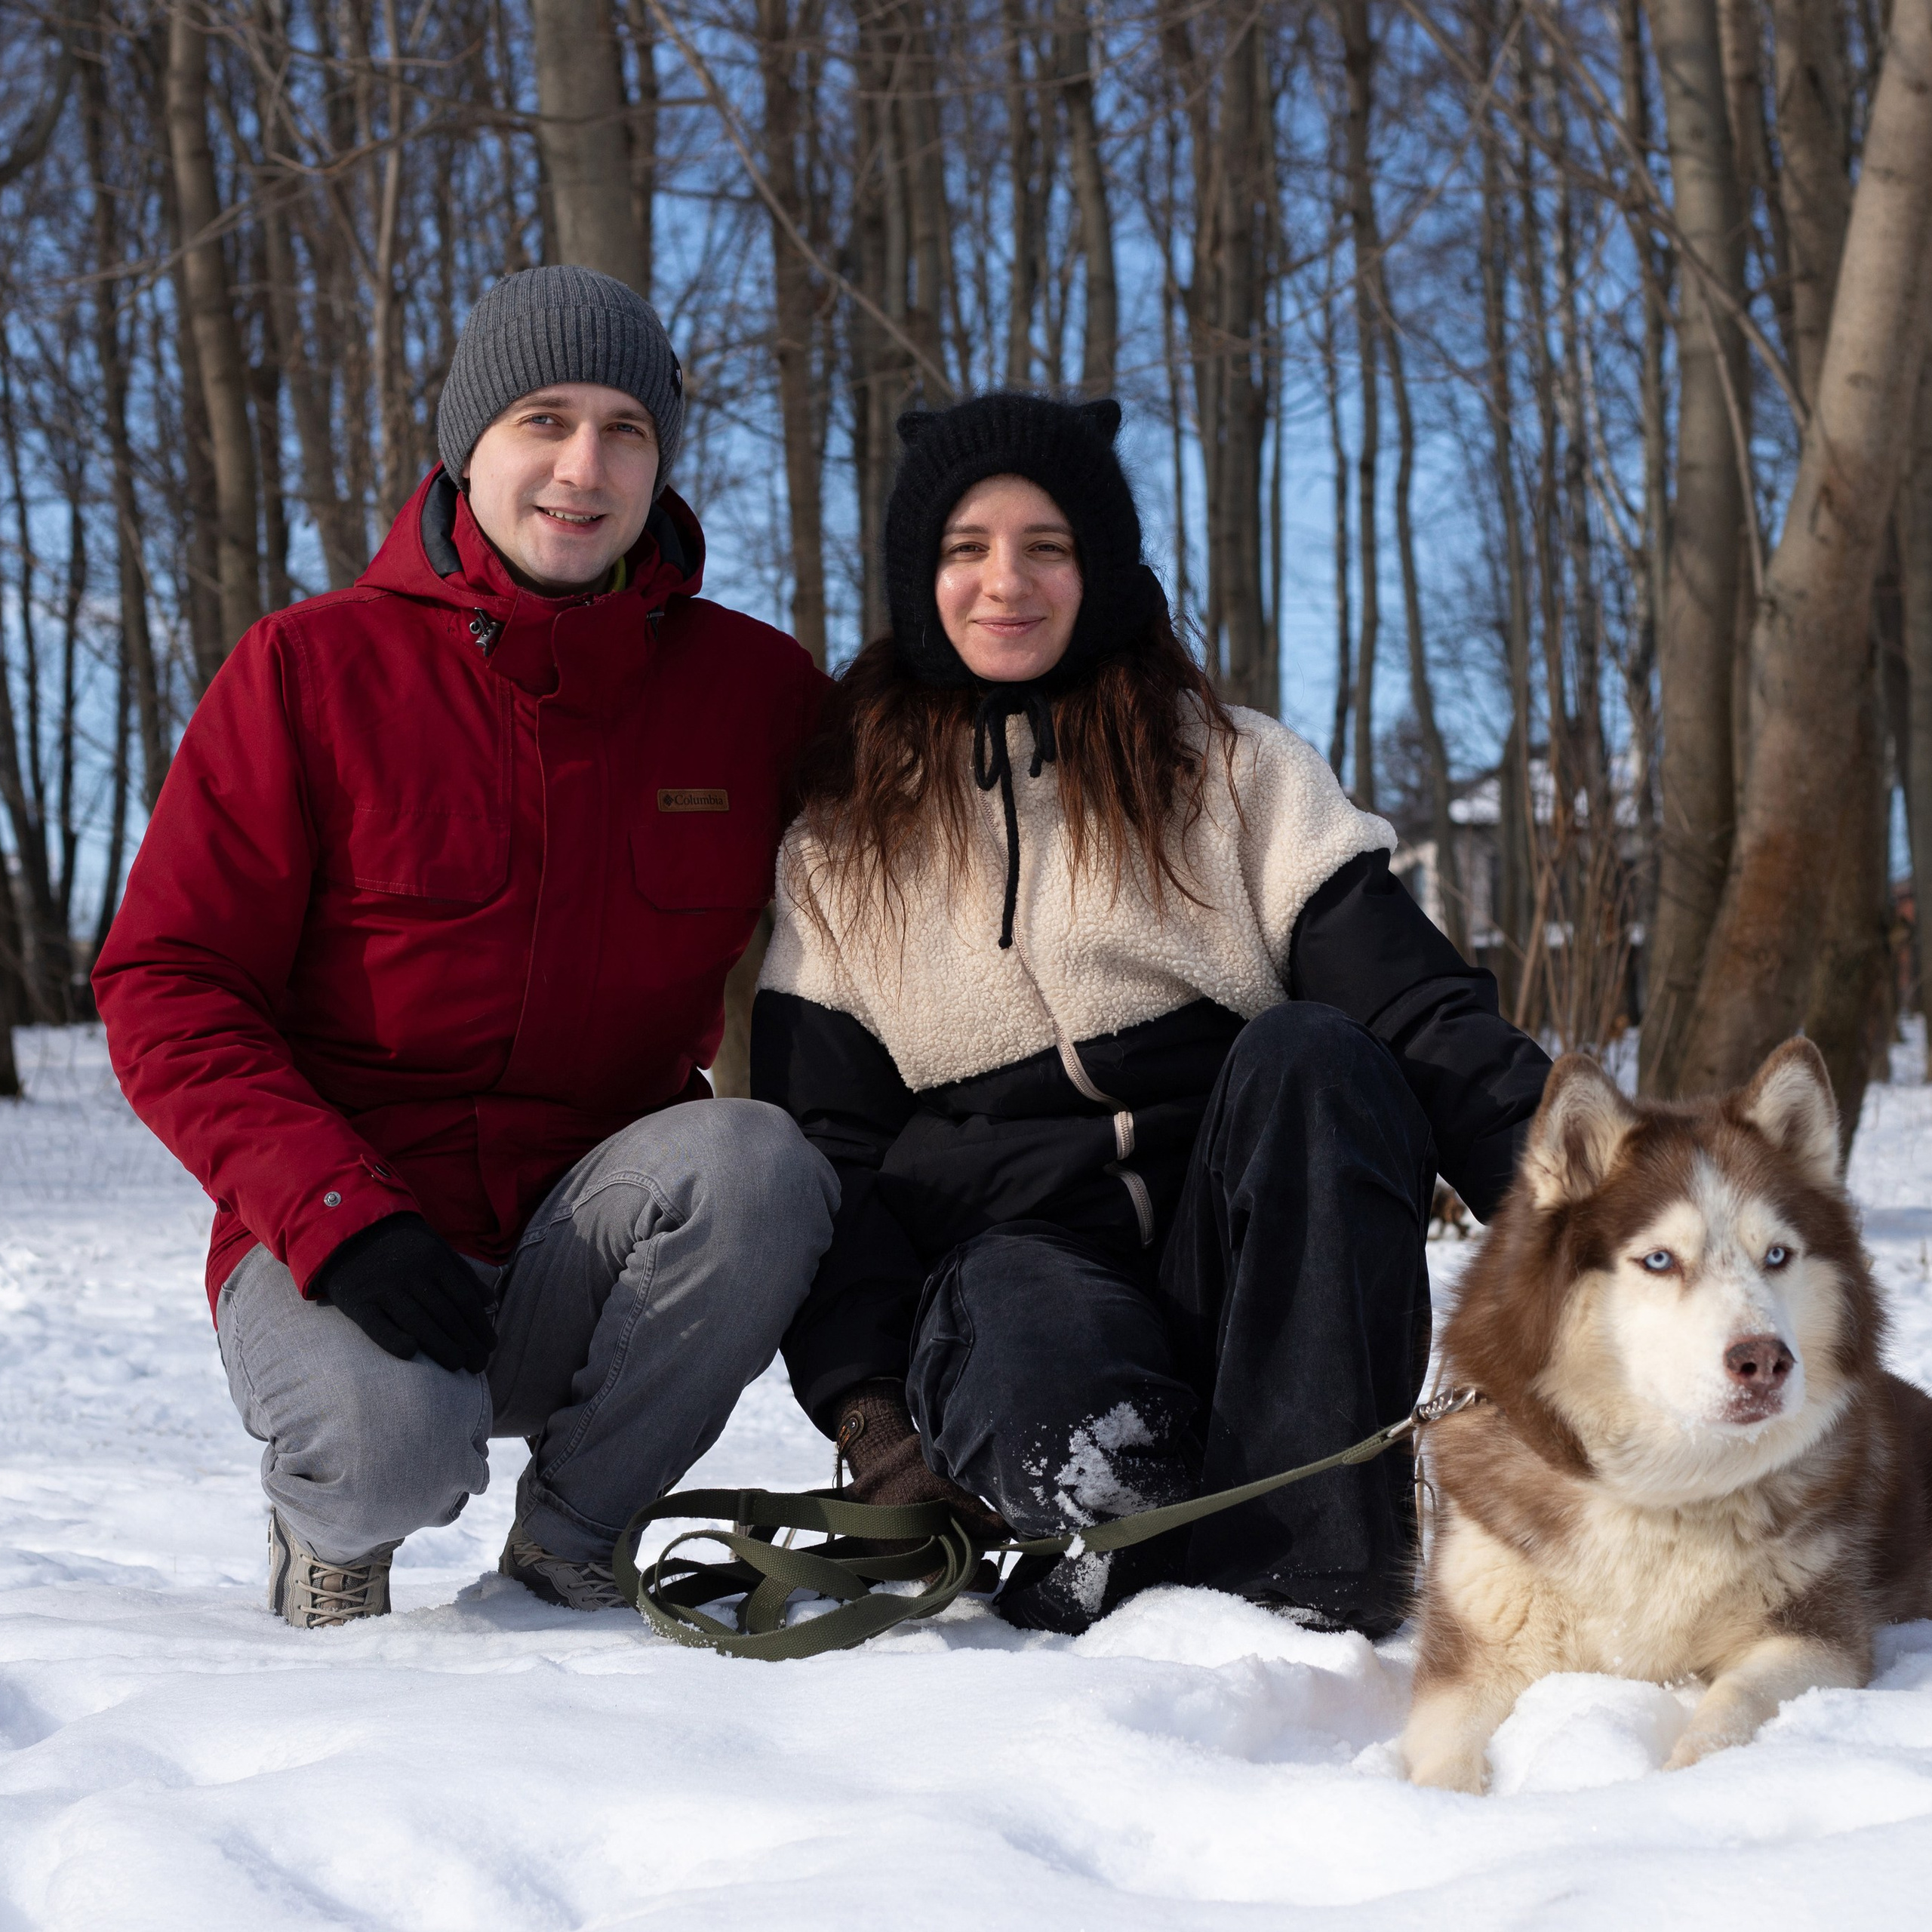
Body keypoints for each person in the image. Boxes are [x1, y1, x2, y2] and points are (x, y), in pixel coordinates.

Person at [94, 266, 836, 1628]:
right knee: (393, 1447)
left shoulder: (755, 692)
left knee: (760, 1164)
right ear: (467, 444)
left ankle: (572, 1546)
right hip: (344, 1226)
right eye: (543, 420)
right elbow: (168, 985)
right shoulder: (309, 671)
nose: (583, 467)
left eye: (625, 430)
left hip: (594, 1239)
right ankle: (332, 1531)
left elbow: (920, 865)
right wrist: (334, 1215)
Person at [751, 392, 1550, 1637]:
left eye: (1048, 546)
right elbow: (828, 1157)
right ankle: (1106, 1530)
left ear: (1103, 570)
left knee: (1317, 1053)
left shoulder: (1237, 774)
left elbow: (1420, 1014)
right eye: (967, 548)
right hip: (1018, 1270)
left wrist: (1603, 1227)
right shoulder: (841, 853)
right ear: (920, 578)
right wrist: (872, 1418)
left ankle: (1310, 1570)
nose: (1006, 582)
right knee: (1056, 1387)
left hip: (1254, 1268)